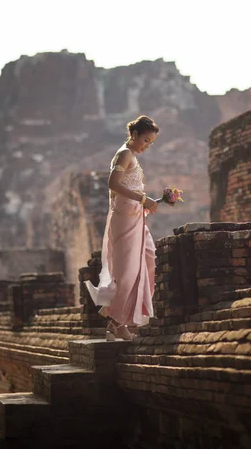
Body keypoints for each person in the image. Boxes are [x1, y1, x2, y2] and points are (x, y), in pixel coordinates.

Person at [85, 115, 159, 341]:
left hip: (136, 218)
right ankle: (117, 323)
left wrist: (145, 202)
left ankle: (120, 320)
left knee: (148, 260)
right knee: (127, 273)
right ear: (134, 134)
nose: (147, 146)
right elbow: (113, 184)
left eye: (151, 143)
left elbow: (128, 186)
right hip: (124, 220)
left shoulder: (132, 155)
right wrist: (142, 199)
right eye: (145, 140)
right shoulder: (125, 153)